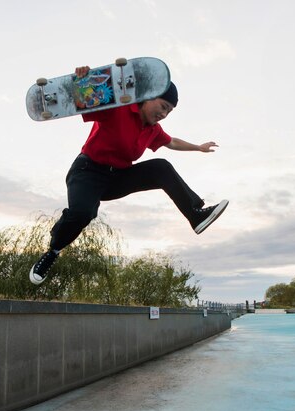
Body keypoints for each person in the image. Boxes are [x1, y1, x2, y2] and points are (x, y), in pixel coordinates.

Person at [30, 65, 229, 285]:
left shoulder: (152, 129)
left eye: (169, 112)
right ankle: (53, 251)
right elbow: (88, 102)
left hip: (117, 178)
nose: (163, 115)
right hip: (87, 172)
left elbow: (171, 142)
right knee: (83, 214)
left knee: (161, 167)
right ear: (148, 97)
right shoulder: (117, 109)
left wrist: (198, 147)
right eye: (162, 107)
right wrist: (83, 82)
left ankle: (196, 215)